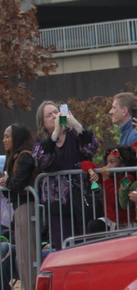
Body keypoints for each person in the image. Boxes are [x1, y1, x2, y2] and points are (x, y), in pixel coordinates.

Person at [32, 101, 100, 250]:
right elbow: (42, 160)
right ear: (42, 123)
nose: (54, 116)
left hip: (81, 198)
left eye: (56, 112)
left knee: (85, 244)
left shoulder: (74, 135)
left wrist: (77, 125)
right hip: (58, 203)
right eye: (48, 115)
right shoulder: (41, 142)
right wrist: (55, 133)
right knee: (64, 245)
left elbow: (92, 148)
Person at [1, 124, 37, 290]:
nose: (4, 140)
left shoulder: (25, 156)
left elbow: (19, 183)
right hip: (20, 207)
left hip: (27, 206)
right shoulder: (16, 157)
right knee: (22, 254)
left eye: (7, 136)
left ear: (17, 137)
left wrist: (7, 181)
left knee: (27, 254)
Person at [81, 146, 137, 230]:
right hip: (111, 220)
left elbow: (114, 200)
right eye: (107, 162)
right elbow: (84, 163)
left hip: (126, 221)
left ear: (122, 165)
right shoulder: (107, 175)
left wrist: (106, 179)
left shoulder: (128, 178)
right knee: (94, 225)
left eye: (112, 162)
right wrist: (91, 171)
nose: (108, 166)